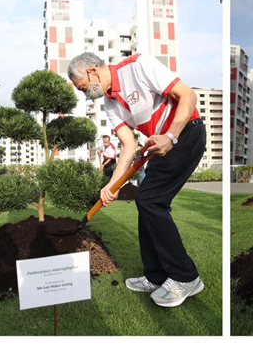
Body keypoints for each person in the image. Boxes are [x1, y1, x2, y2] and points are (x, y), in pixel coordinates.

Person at [67, 52, 206, 308]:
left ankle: (186, 277)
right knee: (146, 203)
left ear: (92, 71)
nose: (86, 94)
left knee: (150, 200)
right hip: (158, 145)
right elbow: (129, 145)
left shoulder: (138, 65)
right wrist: (112, 185)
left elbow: (188, 95)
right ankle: (155, 276)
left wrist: (171, 136)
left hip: (186, 132)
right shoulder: (110, 104)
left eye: (84, 87)